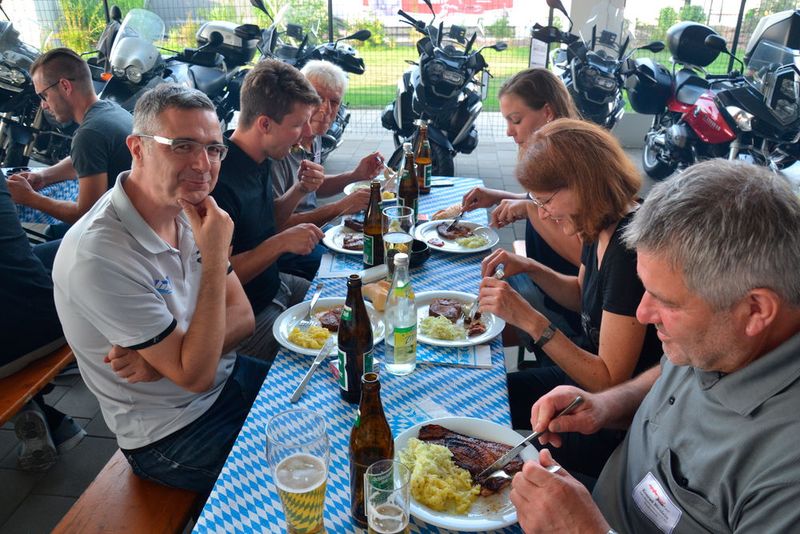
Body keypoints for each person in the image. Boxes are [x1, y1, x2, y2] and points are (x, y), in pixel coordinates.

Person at [510, 160, 800, 533]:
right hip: (600, 497)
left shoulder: (786, 473)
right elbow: (669, 372)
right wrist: (605, 406)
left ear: (755, 310)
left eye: (667, 301)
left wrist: (585, 530)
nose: (643, 313)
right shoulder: (720, 339)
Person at [52, 83, 268, 494]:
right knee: (310, 473)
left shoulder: (189, 209)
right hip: (171, 432)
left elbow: (243, 318)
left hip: (228, 378)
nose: (203, 164)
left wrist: (169, 361)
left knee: (335, 407)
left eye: (213, 148)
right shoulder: (98, 254)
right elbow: (196, 376)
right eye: (182, 145)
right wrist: (187, 362)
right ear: (137, 148)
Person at [479, 119, 661, 477]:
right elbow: (581, 294)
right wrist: (530, 267)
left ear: (584, 184)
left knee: (505, 466)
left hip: (615, 415)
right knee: (487, 396)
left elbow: (608, 379)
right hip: (578, 379)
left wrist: (529, 319)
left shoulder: (628, 251)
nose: (542, 213)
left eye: (546, 201)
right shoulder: (598, 222)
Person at [211, 60, 326, 362]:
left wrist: (299, 189)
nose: (305, 134)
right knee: (327, 355)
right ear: (264, 124)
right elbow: (218, 275)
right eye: (298, 124)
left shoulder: (261, 156)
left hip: (277, 286)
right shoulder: (218, 181)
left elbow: (266, 221)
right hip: (250, 314)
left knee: (351, 308)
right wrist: (281, 243)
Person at [462, 68, 583, 344]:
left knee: (474, 303)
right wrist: (500, 197)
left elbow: (584, 254)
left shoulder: (570, 163)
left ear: (548, 112)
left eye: (516, 120)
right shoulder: (551, 152)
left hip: (564, 303)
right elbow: (545, 203)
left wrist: (528, 209)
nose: (508, 131)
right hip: (542, 277)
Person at [0, 178, 85, 471]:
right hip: (53, 320)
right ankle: (50, 419)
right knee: (27, 257)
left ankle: (36, 412)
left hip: (8, 351)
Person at [271, 60, 383, 279]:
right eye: (317, 98)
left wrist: (355, 175)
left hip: (314, 232)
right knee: (358, 272)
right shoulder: (279, 148)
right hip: (286, 250)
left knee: (379, 248)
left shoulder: (314, 138)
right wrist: (337, 208)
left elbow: (313, 187)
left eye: (334, 101)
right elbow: (275, 225)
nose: (325, 109)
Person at [6, 47, 132, 236]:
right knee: (55, 231)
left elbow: (85, 214)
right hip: (130, 221)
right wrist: (43, 177)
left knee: (26, 261)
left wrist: (30, 198)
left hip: (120, 236)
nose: (43, 105)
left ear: (65, 86)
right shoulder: (111, 110)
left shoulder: (90, 133)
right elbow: (83, 160)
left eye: (43, 95)